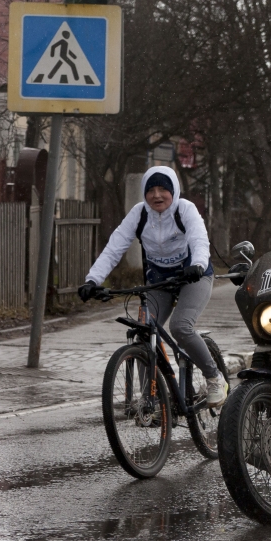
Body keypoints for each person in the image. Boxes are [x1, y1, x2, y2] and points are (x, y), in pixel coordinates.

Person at [78, 166, 226, 406]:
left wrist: (198, 263)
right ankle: (151, 399)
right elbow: (114, 247)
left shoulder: (185, 209)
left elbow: (199, 239)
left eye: (163, 189)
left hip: (193, 277)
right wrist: (92, 280)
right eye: (151, 190)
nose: (157, 195)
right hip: (159, 280)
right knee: (143, 331)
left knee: (180, 327)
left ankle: (214, 377)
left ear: (174, 191)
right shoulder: (139, 214)